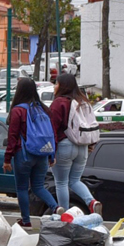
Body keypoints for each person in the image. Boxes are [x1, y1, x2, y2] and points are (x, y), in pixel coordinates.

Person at [3, 77, 61, 227]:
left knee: (22, 188)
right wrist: (51, 154)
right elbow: (52, 133)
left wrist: (7, 158)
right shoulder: (43, 109)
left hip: (24, 155)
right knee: (39, 187)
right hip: (42, 154)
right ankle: (56, 207)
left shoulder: (18, 110)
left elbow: (13, 136)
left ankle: (26, 220)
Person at [48, 73, 101, 214]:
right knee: (75, 180)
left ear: (63, 86)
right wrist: (91, 143)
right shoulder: (83, 101)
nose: (54, 86)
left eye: (56, 83)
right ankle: (91, 201)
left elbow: (52, 128)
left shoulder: (59, 103)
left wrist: (50, 152)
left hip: (65, 146)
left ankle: (64, 214)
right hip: (83, 146)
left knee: (61, 182)